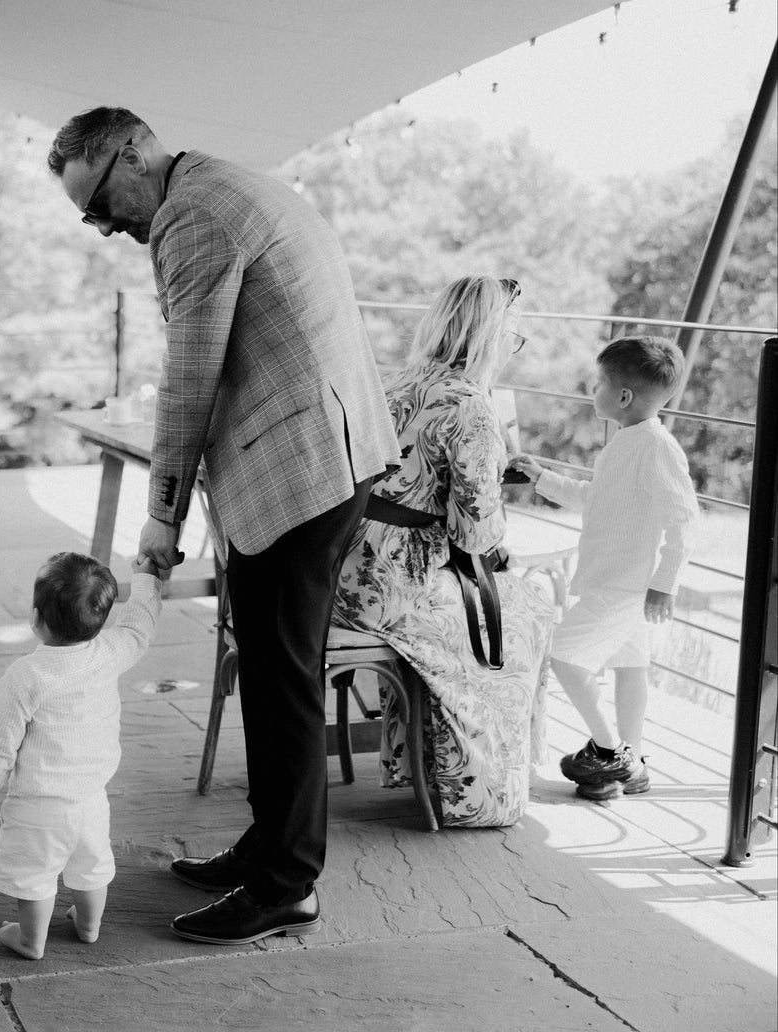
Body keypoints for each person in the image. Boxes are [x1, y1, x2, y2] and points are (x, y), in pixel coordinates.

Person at [47, 107, 399, 946]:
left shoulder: (190, 214)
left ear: (131, 152)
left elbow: (189, 376)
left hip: (298, 475)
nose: (103, 227)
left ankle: (286, 884)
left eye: (98, 203)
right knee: (277, 673)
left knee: (281, 686)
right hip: (328, 458)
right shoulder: (222, 182)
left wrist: (160, 516)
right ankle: (267, 846)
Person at [333, 276, 556, 827]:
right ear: (491, 336)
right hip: (390, 583)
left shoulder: (396, 383)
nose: (513, 349)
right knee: (530, 609)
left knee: (492, 603)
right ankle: (476, 790)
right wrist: (494, 486)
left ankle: (417, 766)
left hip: (341, 563)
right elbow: (476, 536)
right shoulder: (472, 407)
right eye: (514, 338)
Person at [510, 336, 699, 801]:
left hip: (626, 586)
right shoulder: (627, 442)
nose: (592, 391)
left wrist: (664, 584)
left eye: (599, 383)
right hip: (619, 582)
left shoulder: (656, 447)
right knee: (630, 665)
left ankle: (611, 753)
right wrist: (542, 478)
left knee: (564, 657)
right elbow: (596, 502)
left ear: (624, 396)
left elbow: (685, 520)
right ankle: (631, 764)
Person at [0, 552, 162, 959]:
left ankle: (30, 939)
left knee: (35, 876)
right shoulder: (110, 651)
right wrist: (145, 578)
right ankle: (89, 926)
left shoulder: (25, 676)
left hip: (37, 806)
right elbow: (140, 626)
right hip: (92, 799)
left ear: (37, 618)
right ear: (100, 618)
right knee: (91, 867)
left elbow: (1, 743)